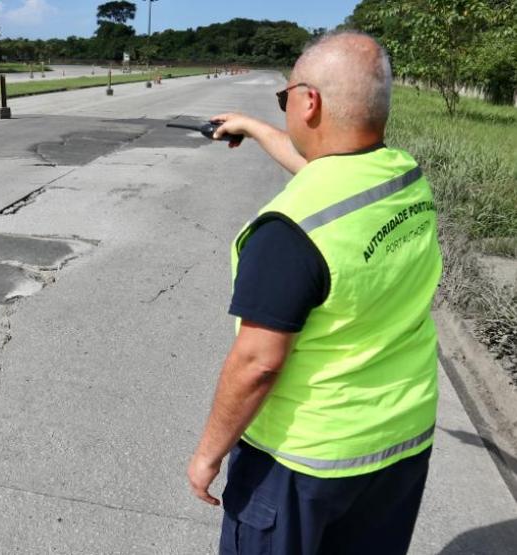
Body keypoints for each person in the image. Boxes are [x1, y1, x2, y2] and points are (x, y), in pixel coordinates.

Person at [187, 31, 442, 555]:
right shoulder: (401, 177)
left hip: (303, 461)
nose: (284, 110)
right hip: (401, 442)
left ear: (310, 102)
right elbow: (326, 168)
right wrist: (256, 128)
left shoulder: (289, 232)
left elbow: (257, 363)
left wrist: (210, 453)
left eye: (284, 99)